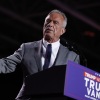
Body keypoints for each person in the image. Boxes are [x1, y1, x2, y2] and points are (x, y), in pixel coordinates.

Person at [0, 9, 80, 100]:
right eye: (48, 21)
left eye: (55, 22)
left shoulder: (72, 56)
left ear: (62, 31)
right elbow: (6, 64)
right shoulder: (27, 48)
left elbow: (74, 85)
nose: (50, 24)